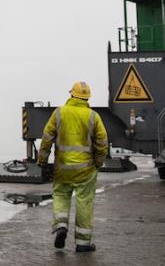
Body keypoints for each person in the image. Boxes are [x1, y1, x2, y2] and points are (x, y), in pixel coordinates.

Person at [37, 81, 109, 253]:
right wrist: (98, 162)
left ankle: (61, 226)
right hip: (86, 170)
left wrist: (42, 160)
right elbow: (102, 142)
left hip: (62, 169)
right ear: (87, 97)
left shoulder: (59, 113)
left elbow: (47, 137)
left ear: (71, 95)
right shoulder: (93, 116)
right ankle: (83, 244)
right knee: (84, 202)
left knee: (61, 196)